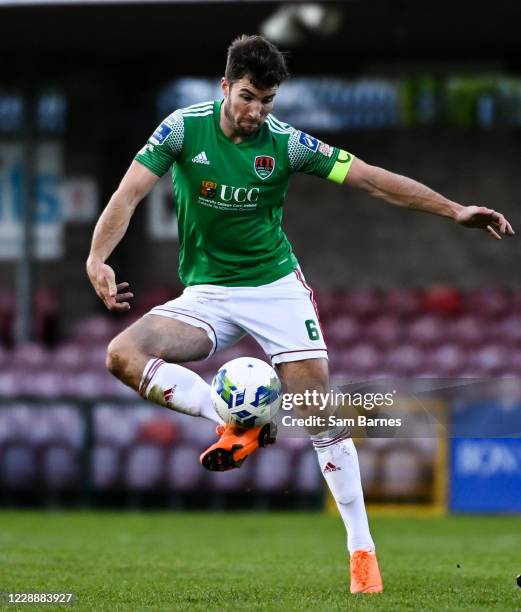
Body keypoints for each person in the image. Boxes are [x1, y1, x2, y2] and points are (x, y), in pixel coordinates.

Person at [86, 34, 514, 594]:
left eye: (266, 101)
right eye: (246, 97)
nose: (255, 111)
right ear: (224, 87)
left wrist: (454, 208)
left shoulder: (285, 144)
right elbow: (128, 193)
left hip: (275, 289)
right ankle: (234, 422)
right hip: (208, 293)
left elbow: (371, 179)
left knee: (318, 413)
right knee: (122, 354)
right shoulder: (180, 129)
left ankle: (362, 553)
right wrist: (96, 256)